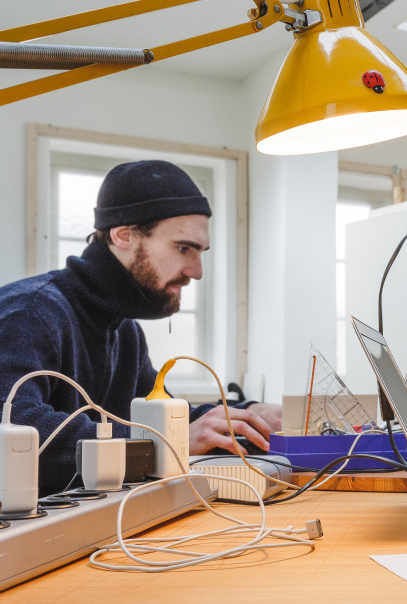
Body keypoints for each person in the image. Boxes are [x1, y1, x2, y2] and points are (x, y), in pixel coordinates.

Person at [0, 160, 281, 495]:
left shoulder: (125, 331)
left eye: (200, 252)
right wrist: (167, 442)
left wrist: (251, 417)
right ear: (123, 235)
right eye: (183, 248)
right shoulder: (31, 312)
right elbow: (15, 430)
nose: (196, 271)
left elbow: (164, 420)